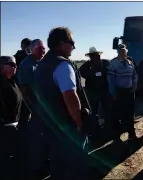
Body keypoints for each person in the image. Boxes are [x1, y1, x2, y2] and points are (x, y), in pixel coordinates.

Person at [34, 27, 89, 180]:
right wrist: (78, 122)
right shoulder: (63, 65)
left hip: (50, 126)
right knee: (75, 167)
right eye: (72, 42)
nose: (74, 47)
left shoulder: (42, 65)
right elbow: (70, 96)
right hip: (68, 128)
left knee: (58, 166)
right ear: (61, 43)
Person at [17, 39, 47, 179]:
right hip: (36, 109)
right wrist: (34, 108)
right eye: (40, 48)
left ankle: (43, 162)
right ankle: (34, 168)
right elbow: (24, 90)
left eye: (44, 48)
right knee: (35, 139)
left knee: (44, 137)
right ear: (33, 49)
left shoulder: (40, 63)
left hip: (45, 108)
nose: (43, 51)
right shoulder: (26, 65)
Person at [108, 44, 138, 142]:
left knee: (130, 114)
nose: (123, 53)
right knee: (118, 115)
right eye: (121, 51)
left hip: (129, 92)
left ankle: (131, 134)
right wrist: (113, 93)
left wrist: (134, 87)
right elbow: (110, 79)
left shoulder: (130, 62)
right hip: (119, 92)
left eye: (124, 51)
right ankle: (117, 136)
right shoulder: (113, 63)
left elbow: (134, 76)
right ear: (118, 52)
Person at [0, 56, 23, 180]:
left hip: (14, 127)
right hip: (5, 129)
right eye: (11, 64)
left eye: (15, 64)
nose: (15, 67)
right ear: (2, 66)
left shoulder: (11, 81)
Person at [79, 47, 109, 122]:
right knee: (93, 109)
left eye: (95, 55)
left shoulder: (105, 63)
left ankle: (107, 124)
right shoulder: (86, 65)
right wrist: (92, 72)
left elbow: (109, 73)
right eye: (92, 55)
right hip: (92, 91)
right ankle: (95, 125)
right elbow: (82, 73)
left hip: (104, 90)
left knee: (106, 108)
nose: (94, 56)